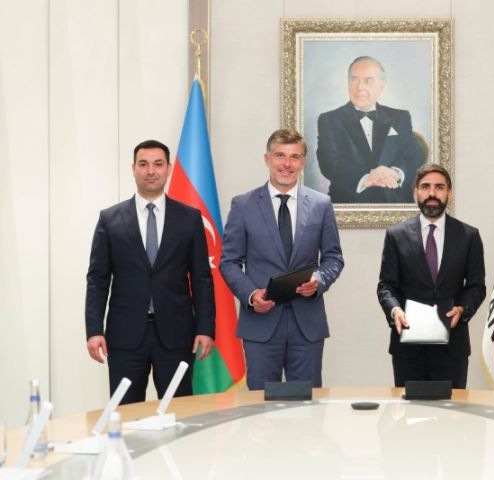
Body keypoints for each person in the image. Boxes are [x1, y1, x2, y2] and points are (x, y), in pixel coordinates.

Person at [85, 140, 215, 404]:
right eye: (143, 164)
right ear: (133, 168)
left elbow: (201, 279)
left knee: (178, 413)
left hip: (177, 335)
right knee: (125, 413)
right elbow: (97, 280)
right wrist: (94, 330)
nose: (151, 171)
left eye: (158, 164)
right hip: (125, 336)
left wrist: (205, 328)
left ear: (168, 169)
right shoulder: (110, 219)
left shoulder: (190, 218)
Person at [220, 129, 344, 390]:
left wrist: (318, 280)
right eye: (280, 156)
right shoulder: (243, 205)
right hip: (261, 324)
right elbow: (229, 262)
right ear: (267, 159)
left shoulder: (321, 204)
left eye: (294, 157)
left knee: (307, 405)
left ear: (303, 162)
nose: (287, 164)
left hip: (307, 325)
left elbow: (333, 257)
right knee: (260, 407)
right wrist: (251, 295)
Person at [377, 164, 486, 388]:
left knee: (452, 409)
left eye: (439, 187)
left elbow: (476, 286)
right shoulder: (396, 235)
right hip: (408, 347)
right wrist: (395, 310)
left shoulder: (469, 236)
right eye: (426, 187)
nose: (432, 193)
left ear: (449, 194)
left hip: (452, 346)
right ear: (416, 193)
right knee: (409, 409)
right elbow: (386, 286)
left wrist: (463, 309)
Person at [316, 56, 425, 203]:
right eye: (354, 79)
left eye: (368, 81)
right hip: (350, 203)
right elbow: (329, 163)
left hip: (395, 201)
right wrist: (368, 179)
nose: (360, 87)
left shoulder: (400, 117)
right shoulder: (329, 120)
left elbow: (413, 154)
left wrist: (395, 172)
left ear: (382, 86)